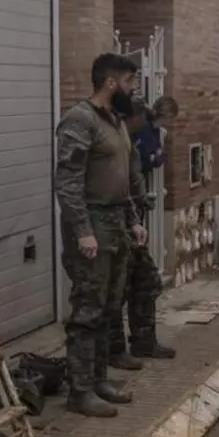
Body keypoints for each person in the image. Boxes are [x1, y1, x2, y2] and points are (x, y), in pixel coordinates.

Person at [54, 53, 148, 418]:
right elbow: (67, 182)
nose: (133, 88)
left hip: (116, 223)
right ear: (111, 82)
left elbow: (123, 178)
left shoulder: (116, 122)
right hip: (92, 224)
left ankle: (98, 381)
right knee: (88, 309)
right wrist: (83, 231)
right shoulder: (79, 121)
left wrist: (134, 220)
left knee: (110, 307)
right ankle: (79, 390)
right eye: (130, 81)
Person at [107, 98, 175, 371]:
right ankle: (113, 350)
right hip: (114, 226)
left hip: (132, 222)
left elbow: (134, 180)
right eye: (139, 120)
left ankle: (144, 341)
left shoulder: (130, 143)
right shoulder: (114, 143)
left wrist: (139, 205)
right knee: (115, 291)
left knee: (147, 280)